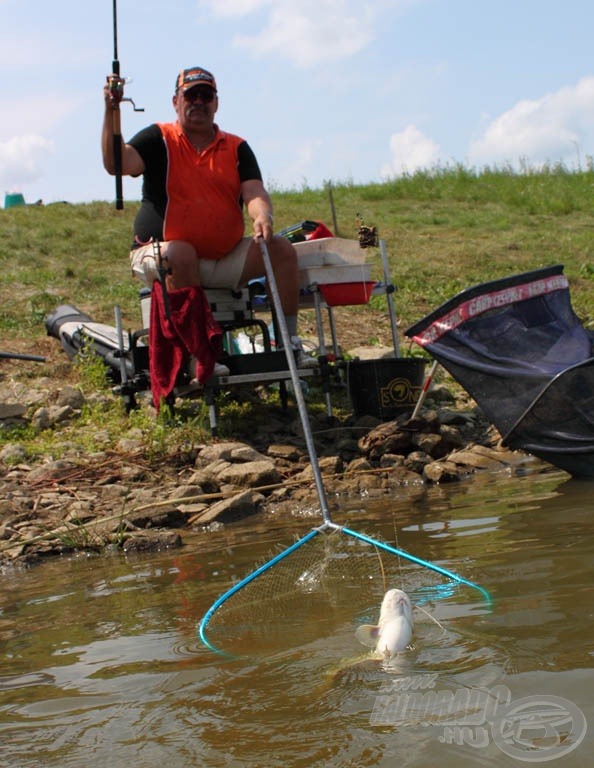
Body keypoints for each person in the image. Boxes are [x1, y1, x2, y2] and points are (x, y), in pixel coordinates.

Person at [101, 65, 315, 375]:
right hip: (161, 253)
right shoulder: (158, 137)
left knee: (281, 249)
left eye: (205, 95)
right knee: (181, 253)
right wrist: (111, 111)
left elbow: (254, 191)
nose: (198, 102)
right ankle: (196, 355)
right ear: (176, 101)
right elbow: (116, 162)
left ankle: (289, 344)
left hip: (222, 257)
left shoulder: (237, 147)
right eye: (190, 96)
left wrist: (262, 215)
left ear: (216, 103)